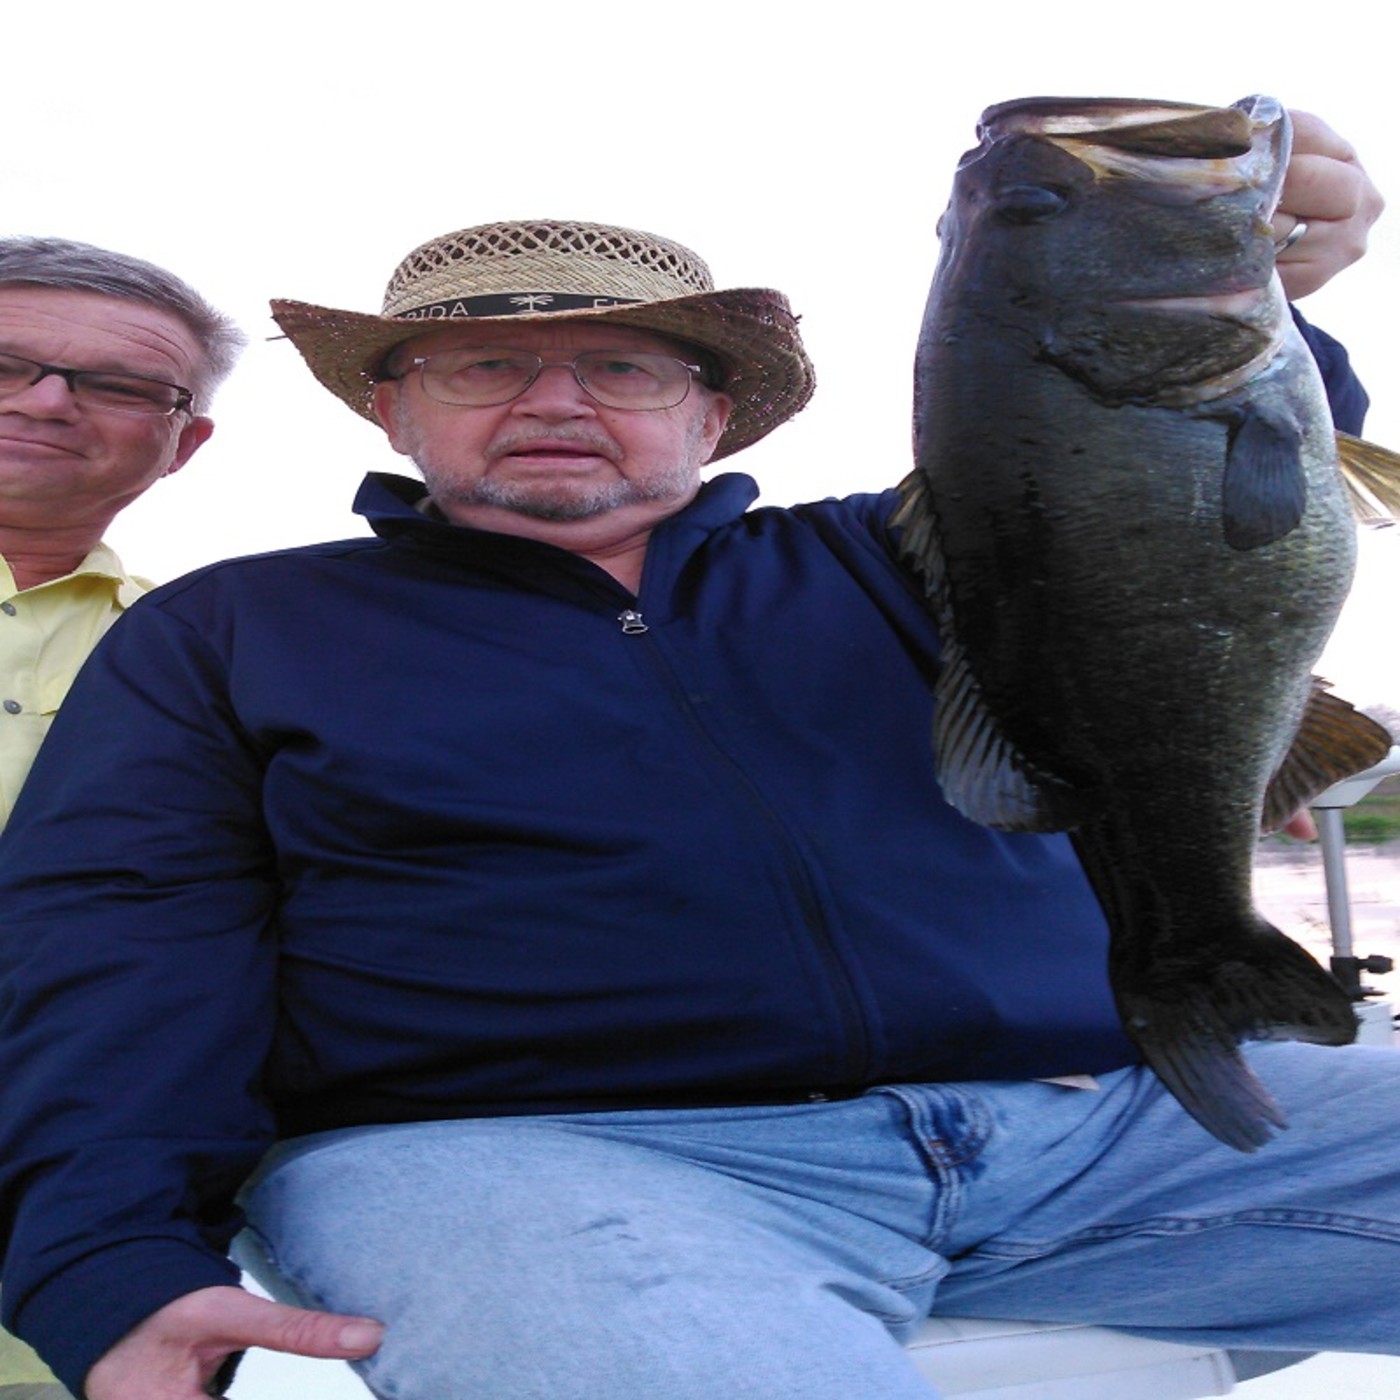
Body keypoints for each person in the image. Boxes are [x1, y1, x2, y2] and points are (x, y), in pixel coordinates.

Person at [0, 115, 1391, 1400]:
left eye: (624, 365)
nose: (555, 399)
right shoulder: (229, 628)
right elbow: (119, 944)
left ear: (711, 414)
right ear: (394, 412)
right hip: (530, 1167)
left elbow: (1157, 476)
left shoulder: (910, 559)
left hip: (1095, 1125)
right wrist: (108, 1260)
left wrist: (1266, 286)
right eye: (482, 365)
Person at [0, 237, 243, 1399]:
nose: (47, 400)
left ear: (183, 442)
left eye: (115, 383)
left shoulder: (230, 665)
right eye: (5, 363)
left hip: (74, 1311)